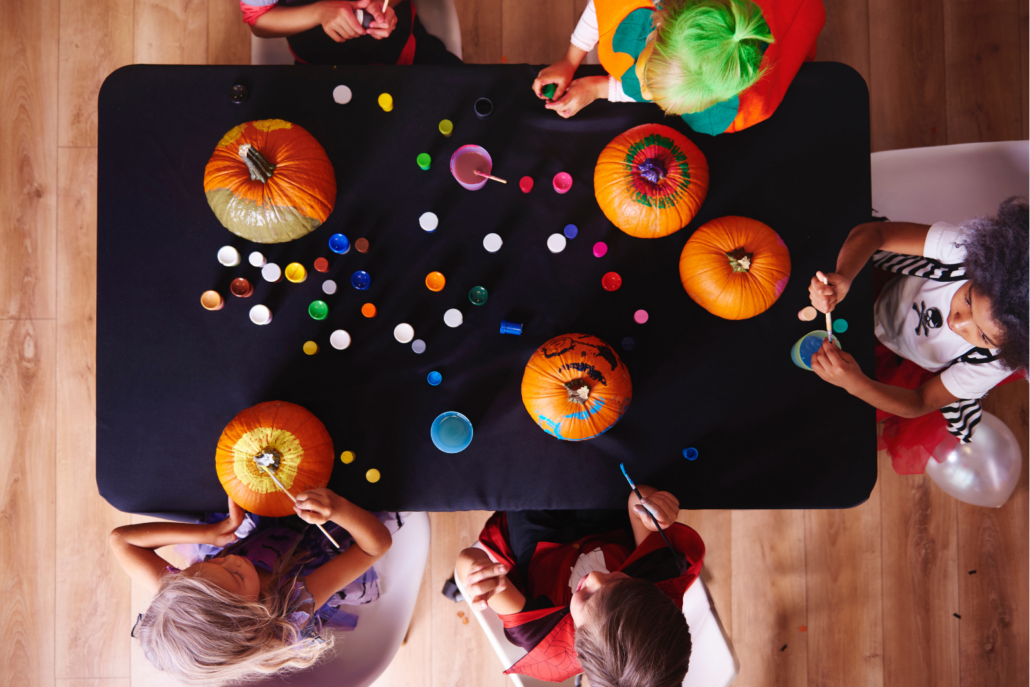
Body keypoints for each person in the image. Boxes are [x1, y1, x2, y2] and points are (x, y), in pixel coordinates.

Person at [806, 197, 1028, 474]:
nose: (957, 323)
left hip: (895, 361)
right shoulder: (967, 250)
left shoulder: (992, 365)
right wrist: (845, 276)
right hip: (872, 287)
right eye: (969, 301)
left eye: (982, 336)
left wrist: (856, 383)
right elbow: (874, 234)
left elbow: (919, 402)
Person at [110, 489, 397, 685]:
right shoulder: (292, 604)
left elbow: (121, 541)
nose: (231, 559)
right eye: (235, 576)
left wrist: (208, 534)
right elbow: (376, 546)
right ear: (252, 615)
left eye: (208, 565)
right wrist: (339, 509)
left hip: (264, 531)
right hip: (309, 549)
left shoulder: (184, 594)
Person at [456, 486, 705, 686]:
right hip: (607, 527)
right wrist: (653, 506)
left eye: (586, 597)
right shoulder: (656, 596)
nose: (595, 577)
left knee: (525, 478)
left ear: (576, 641)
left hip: (539, 544)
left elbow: (466, 559)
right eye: (618, 580)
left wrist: (477, 573)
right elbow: (634, 499)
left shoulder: (541, 636)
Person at [532, 0, 824, 135]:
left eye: (661, 99)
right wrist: (572, 60)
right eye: (646, 75)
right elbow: (604, 7)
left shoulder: (738, 110)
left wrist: (600, 88)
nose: (643, 91)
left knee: (791, 50)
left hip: (782, 16)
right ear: (658, 23)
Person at [243, 0, 461, 65]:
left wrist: (383, 4)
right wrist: (319, 12)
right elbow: (259, 20)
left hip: (406, 52)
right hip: (318, 65)